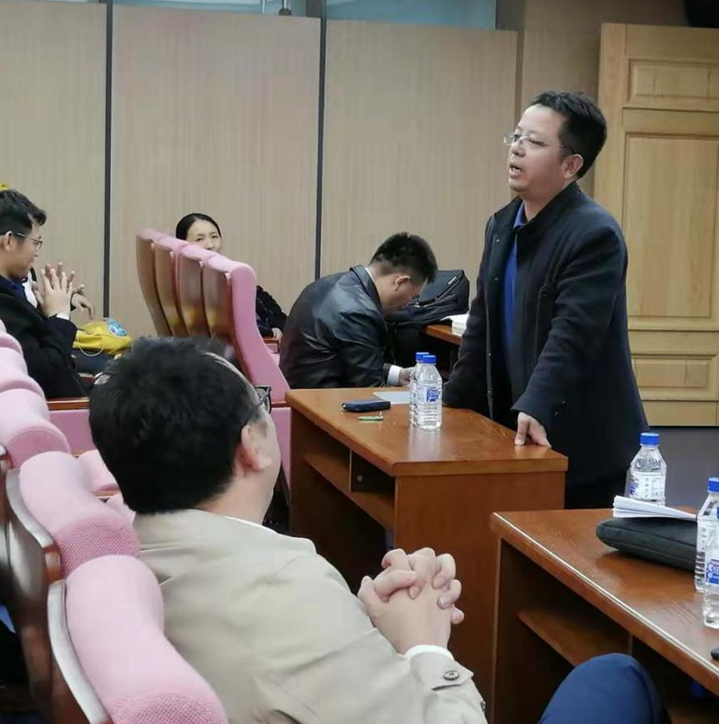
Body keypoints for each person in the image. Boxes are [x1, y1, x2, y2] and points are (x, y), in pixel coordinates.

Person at [88, 339, 665, 724]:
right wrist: (424, 645)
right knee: (616, 679)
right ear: (252, 446)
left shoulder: (130, 549)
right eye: (261, 405)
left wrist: (361, 626)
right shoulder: (285, 590)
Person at [444, 91, 647, 509]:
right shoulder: (502, 224)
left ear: (571, 166)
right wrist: (450, 402)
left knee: (569, 544)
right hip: (514, 427)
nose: (517, 148)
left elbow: (574, 334)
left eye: (534, 142)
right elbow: (482, 322)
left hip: (580, 435)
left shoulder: (594, 234)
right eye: (516, 136)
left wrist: (537, 404)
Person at [280, 233, 436, 389]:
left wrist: (397, 374)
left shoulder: (326, 285)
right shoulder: (358, 313)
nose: (408, 304)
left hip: (300, 394)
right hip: (321, 401)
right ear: (400, 282)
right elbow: (370, 391)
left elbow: (347, 361)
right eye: (413, 297)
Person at [0, 186, 90, 398]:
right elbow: (46, 374)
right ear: (9, 241)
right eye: (35, 243)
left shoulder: (13, 286)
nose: (37, 253)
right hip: (63, 410)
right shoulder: (4, 304)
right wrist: (59, 316)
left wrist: (50, 304)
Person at [175, 213, 287, 342]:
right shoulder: (192, 287)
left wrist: (277, 327)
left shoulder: (228, 276)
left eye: (214, 236)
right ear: (183, 246)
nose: (210, 245)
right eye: (199, 239)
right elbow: (229, 325)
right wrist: (268, 331)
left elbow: (279, 317)